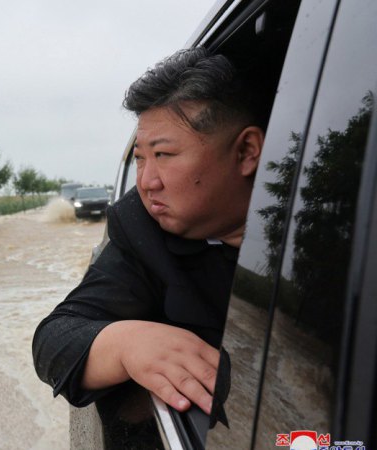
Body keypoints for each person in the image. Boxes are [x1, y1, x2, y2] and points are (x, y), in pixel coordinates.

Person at [32, 47, 266, 419]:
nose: (146, 182)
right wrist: (125, 344)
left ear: (246, 152)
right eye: (140, 158)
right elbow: (54, 341)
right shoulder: (141, 229)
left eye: (164, 155)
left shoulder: (327, 232)